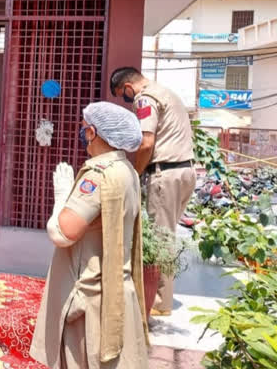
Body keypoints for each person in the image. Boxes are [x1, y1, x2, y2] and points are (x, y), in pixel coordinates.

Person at [31, 102, 149, 369]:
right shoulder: (127, 170)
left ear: (94, 132)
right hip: (114, 289)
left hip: (89, 299)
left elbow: (63, 233)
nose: (83, 135)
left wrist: (61, 195)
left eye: (84, 129)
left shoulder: (98, 176)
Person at [110, 66, 196, 317]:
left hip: (165, 173)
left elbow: (147, 142)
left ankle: (159, 302)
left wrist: (134, 172)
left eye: (121, 94)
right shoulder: (166, 92)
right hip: (185, 172)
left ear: (127, 86)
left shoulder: (144, 98)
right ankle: (160, 296)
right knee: (166, 234)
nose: (126, 99)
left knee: (160, 238)